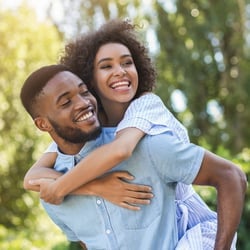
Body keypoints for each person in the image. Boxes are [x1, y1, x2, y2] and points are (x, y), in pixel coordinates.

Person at [23, 19, 245, 249]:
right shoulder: (87, 127)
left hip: (187, 220)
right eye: (107, 66)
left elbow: (121, 150)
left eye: (127, 63)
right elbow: (33, 177)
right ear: (89, 79)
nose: (120, 72)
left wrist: (60, 188)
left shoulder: (145, 106)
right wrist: (96, 187)